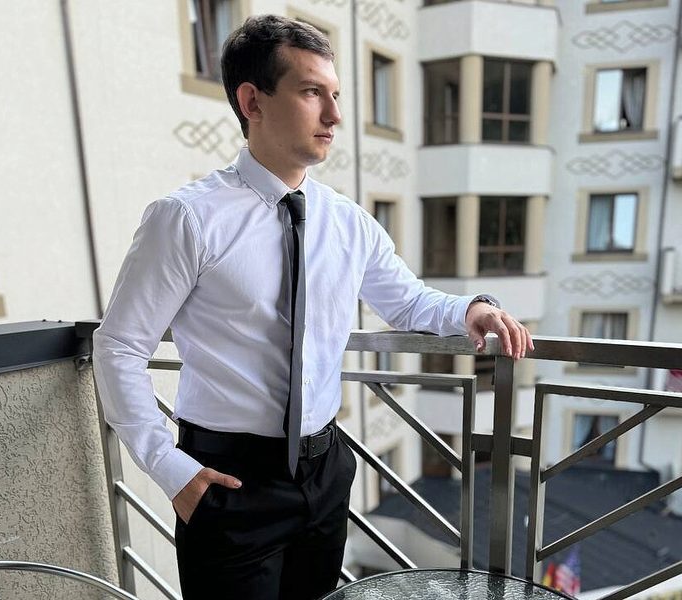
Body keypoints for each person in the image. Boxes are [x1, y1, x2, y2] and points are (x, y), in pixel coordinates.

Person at [92, 14, 533, 600]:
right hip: (228, 482)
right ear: (252, 101)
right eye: (311, 92)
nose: (335, 115)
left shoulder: (348, 222)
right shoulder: (187, 218)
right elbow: (119, 346)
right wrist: (171, 471)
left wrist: (471, 309)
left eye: (336, 95)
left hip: (325, 473)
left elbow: (406, 300)